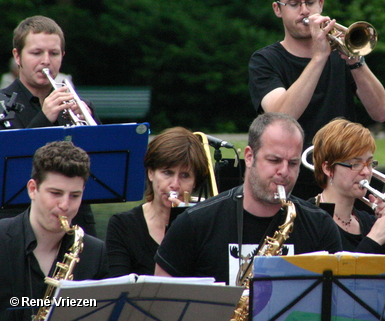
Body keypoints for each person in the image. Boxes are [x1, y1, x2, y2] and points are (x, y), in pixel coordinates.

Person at [249, 0, 385, 200]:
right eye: (294, 3)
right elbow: (282, 118)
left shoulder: (342, 56)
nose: (304, 10)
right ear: (277, 9)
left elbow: (381, 112)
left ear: (321, 4)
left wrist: (355, 62)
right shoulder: (265, 60)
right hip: (294, 183)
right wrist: (319, 56)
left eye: (310, 2)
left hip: (344, 180)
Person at [154, 112, 342, 284]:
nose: (284, 172)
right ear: (250, 157)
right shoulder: (195, 222)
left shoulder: (320, 225)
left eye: (293, 163)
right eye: (274, 160)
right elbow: (159, 300)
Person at [0, 16, 98, 235]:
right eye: (36, 53)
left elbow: (101, 166)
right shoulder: (2, 104)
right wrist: (44, 118)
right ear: (18, 56)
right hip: (15, 220)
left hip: (76, 219)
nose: (46, 61)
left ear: (62, 56)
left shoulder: (78, 105)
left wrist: (91, 128)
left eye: (53, 54)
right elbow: (12, 164)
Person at [0, 141, 109, 321]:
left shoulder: (94, 253)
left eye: (75, 196)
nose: (65, 205)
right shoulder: (2, 239)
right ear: (33, 189)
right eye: (56, 193)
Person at [106, 127, 210, 277]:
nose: (174, 184)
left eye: (185, 175)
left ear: (195, 183)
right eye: (167, 172)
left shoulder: (206, 226)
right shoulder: (123, 225)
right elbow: (118, 287)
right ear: (150, 172)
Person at [310, 118, 385, 253]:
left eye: (369, 163)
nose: (366, 172)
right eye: (355, 164)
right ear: (328, 169)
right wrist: (374, 239)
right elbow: (334, 272)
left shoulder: (369, 222)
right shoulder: (308, 219)